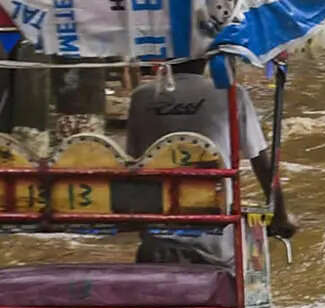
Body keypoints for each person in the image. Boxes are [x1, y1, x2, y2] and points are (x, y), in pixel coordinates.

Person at [125, 59, 294, 265]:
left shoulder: (141, 97)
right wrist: (281, 216)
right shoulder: (232, 94)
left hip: (155, 240)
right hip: (217, 243)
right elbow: (261, 163)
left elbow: (132, 160)